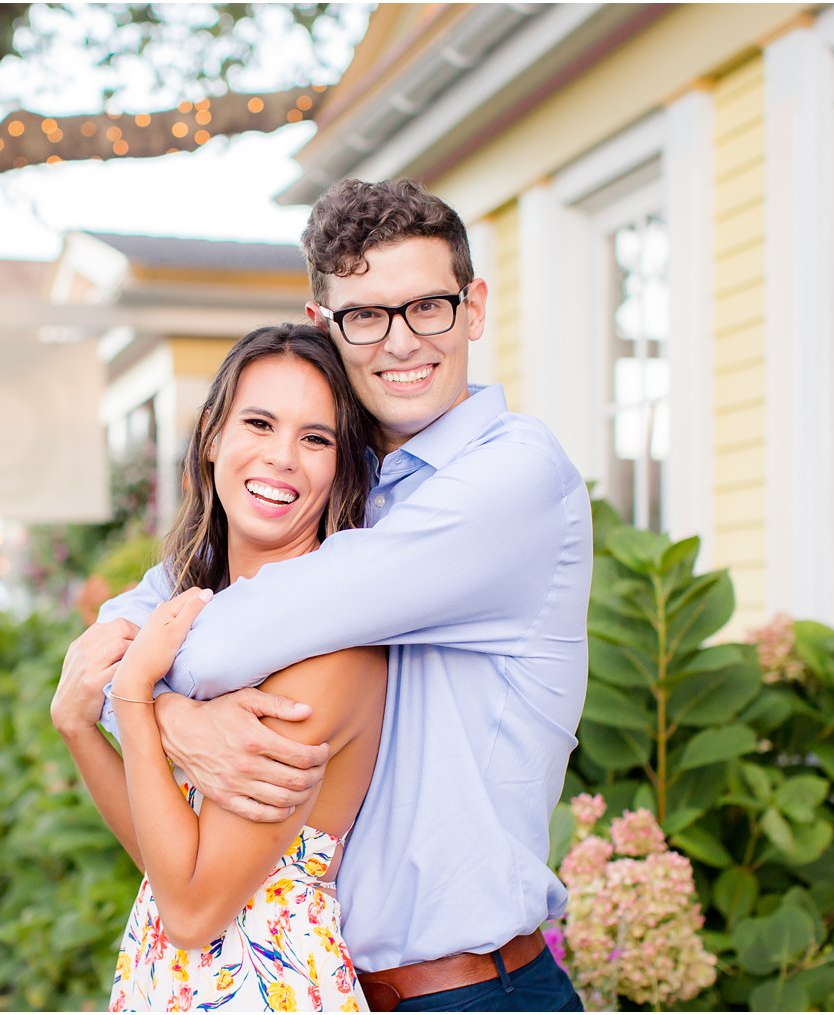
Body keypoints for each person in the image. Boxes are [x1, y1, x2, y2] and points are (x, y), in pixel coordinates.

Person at [59, 178, 591, 1011]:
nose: (401, 341)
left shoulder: (507, 482)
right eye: (366, 316)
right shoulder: (341, 487)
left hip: (469, 991)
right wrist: (157, 702)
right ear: (326, 327)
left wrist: (148, 705)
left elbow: (219, 632)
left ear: (474, 306)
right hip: (328, 979)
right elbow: (143, 607)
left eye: (429, 307)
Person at [52, 323, 386, 1012]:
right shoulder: (200, 611)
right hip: (183, 979)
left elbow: (196, 910)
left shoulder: (330, 644)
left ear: (341, 467)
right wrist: (79, 728)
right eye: (259, 423)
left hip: (272, 986)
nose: (282, 457)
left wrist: (139, 696)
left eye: (315, 438)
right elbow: (164, 861)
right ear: (212, 437)